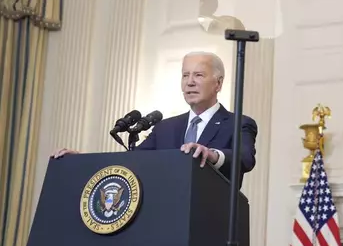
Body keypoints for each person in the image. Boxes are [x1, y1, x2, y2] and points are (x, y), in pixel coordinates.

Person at [51, 51, 258, 185]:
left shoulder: (239, 123)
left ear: (218, 84)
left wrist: (211, 155)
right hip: (162, 224)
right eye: (185, 75)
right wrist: (80, 161)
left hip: (210, 224)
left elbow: (245, 159)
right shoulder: (166, 127)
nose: (190, 82)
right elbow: (130, 163)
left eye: (198, 75)